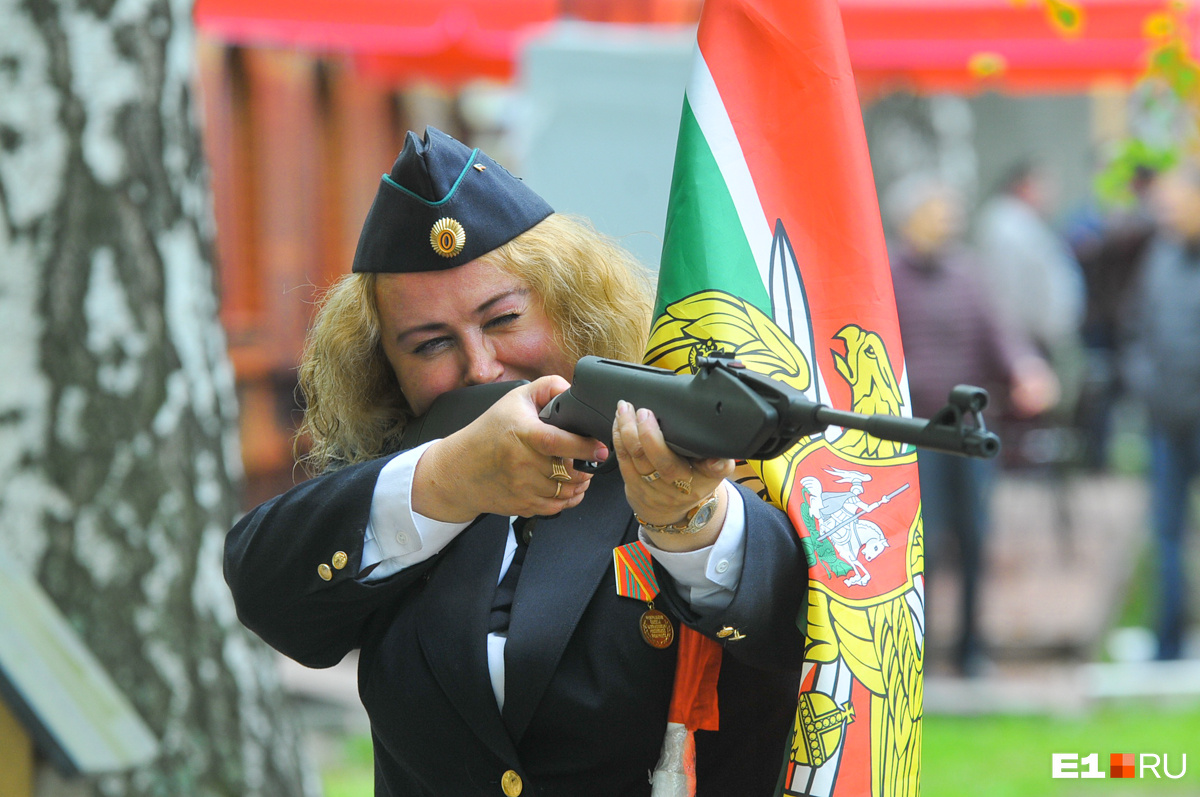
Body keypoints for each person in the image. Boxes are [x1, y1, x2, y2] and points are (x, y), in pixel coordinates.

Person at [224, 127, 807, 796]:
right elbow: (261, 579)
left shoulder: (665, 447)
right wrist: (448, 480)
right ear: (385, 368)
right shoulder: (406, 482)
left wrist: (690, 517)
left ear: (572, 308)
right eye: (429, 343)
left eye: (501, 319)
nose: (479, 365)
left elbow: (790, 603)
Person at [885, 174, 1058, 676]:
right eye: (938, 213)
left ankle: (971, 650)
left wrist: (1026, 369)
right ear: (909, 219)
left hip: (967, 431)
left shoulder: (967, 273)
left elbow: (999, 332)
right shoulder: (889, 274)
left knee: (975, 538)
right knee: (924, 546)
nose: (949, 223)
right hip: (914, 435)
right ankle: (916, 652)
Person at [1121, 160, 1200, 661]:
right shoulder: (1159, 256)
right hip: (1165, 423)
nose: (1167, 208)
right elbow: (1136, 329)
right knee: (1166, 535)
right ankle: (1167, 643)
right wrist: (1145, 385)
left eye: (1179, 199)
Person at [974, 159, 1086, 462]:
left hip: (1035, 338)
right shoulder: (1005, 225)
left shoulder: (1023, 222)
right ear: (1023, 186)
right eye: (1045, 185)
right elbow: (1007, 291)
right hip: (1023, 340)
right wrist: (1019, 348)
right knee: (1022, 432)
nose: (1051, 193)